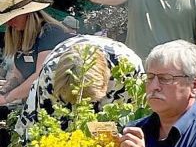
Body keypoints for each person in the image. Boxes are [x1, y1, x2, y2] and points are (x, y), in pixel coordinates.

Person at [14, 35, 144, 140]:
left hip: (113, 81)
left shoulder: (128, 70)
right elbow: (43, 126)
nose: (81, 105)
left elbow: (132, 118)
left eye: (87, 100)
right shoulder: (50, 74)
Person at [0, 0, 74, 147]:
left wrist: (7, 98)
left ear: (28, 13)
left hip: (56, 101)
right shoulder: (19, 35)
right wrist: (5, 90)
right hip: (34, 102)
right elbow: (17, 74)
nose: (10, 23)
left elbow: (39, 76)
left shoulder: (50, 32)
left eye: (13, 18)